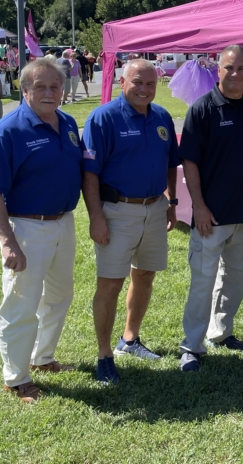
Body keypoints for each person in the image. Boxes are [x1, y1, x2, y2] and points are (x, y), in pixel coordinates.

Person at [0, 58, 82, 403]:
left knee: (59, 296)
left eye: (55, 86)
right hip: (26, 228)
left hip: (63, 223)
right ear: (24, 90)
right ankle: (16, 378)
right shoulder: (8, 131)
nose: (49, 93)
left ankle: (42, 357)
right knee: (21, 303)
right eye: (40, 87)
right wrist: (7, 241)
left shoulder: (67, 122)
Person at [81, 59, 180, 384]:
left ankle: (130, 339)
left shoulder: (161, 116)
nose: (144, 89)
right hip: (117, 211)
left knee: (146, 275)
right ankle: (104, 355)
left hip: (155, 208)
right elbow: (89, 173)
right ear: (122, 82)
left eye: (150, 83)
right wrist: (96, 217)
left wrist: (171, 201)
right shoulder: (103, 118)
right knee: (110, 283)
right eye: (137, 82)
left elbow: (170, 163)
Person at [178, 44, 243, 372]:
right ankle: (192, 345)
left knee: (235, 279)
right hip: (210, 216)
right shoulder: (202, 108)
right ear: (218, 70)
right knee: (203, 281)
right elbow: (190, 161)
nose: (235, 73)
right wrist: (199, 207)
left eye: (241, 68)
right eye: (229, 67)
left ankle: (221, 331)